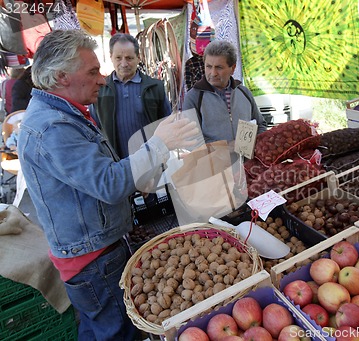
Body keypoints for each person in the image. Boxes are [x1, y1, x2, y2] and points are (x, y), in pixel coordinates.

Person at [16, 29, 198, 340]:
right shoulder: (53, 127)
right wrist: (159, 145)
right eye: (92, 71)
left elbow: (94, 177)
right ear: (61, 77)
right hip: (93, 260)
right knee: (117, 333)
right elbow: (107, 183)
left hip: (92, 252)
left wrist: (134, 177)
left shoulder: (62, 113)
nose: (102, 78)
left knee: (98, 329)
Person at [91, 33, 172, 159]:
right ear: (111, 57)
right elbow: (94, 129)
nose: (124, 64)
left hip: (151, 161)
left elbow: (167, 123)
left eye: (129, 58)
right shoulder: (100, 89)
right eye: (118, 58)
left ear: (138, 58)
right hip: (116, 164)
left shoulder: (155, 88)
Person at [182, 40, 267, 144]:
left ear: (233, 68)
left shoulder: (244, 93)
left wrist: (254, 144)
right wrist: (227, 147)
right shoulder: (194, 97)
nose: (213, 73)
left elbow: (260, 124)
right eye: (208, 66)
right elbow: (191, 138)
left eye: (219, 67)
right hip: (211, 160)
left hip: (247, 160)